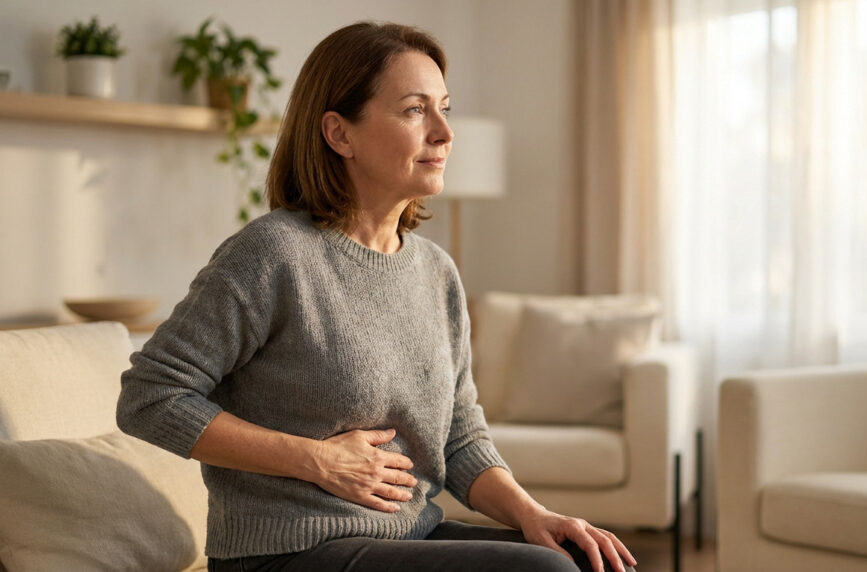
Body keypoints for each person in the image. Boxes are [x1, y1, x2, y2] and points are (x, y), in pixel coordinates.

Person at [117, 21, 637, 572]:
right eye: (415, 109)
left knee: (585, 559)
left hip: (408, 534)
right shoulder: (274, 253)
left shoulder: (436, 272)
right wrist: (316, 460)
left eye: (444, 108)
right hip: (286, 550)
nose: (443, 132)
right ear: (340, 134)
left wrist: (535, 516)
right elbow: (150, 396)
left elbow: (458, 435)